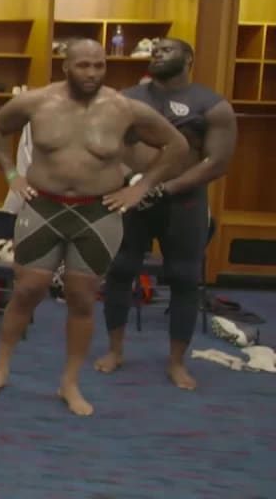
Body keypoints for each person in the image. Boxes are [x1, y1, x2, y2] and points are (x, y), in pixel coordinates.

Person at [0, 38, 188, 416]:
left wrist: (140, 186)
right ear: (65, 66)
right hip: (43, 207)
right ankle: (0, 369)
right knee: (27, 289)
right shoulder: (36, 102)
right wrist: (11, 174)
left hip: (97, 212)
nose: (92, 73)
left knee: (82, 298)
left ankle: (69, 383)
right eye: (84, 65)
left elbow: (177, 145)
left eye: (99, 66)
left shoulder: (124, 108)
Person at [95, 38, 236, 390]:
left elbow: (216, 162)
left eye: (167, 49)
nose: (157, 53)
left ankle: (176, 363)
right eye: (154, 49)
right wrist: (132, 182)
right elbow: (106, 146)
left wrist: (162, 189)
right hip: (131, 196)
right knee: (119, 270)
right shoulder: (125, 99)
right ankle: (115, 351)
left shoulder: (212, 104)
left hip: (183, 201)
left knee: (185, 278)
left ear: (188, 57)